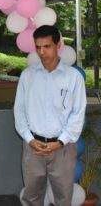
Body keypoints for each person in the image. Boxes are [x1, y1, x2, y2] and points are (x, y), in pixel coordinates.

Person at [14, 25, 86, 206]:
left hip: (63, 148)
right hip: (33, 147)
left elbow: (78, 113)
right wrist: (30, 139)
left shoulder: (73, 77)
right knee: (31, 197)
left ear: (58, 45)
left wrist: (60, 141)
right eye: (38, 47)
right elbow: (19, 111)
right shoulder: (27, 76)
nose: (42, 52)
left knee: (63, 198)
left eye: (47, 46)